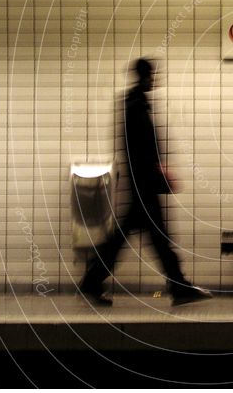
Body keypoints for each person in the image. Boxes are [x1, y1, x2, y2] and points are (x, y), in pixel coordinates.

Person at [78, 58, 212, 307]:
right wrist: (158, 171)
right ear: (145, 76)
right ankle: (178, 286)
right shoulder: (136, 106)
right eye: (153, 75)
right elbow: (141, 149)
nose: (156, 80)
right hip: (144, 187)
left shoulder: (135, 103)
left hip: (142, 185)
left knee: (135, 239)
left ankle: (94, 280)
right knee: (156, 239)